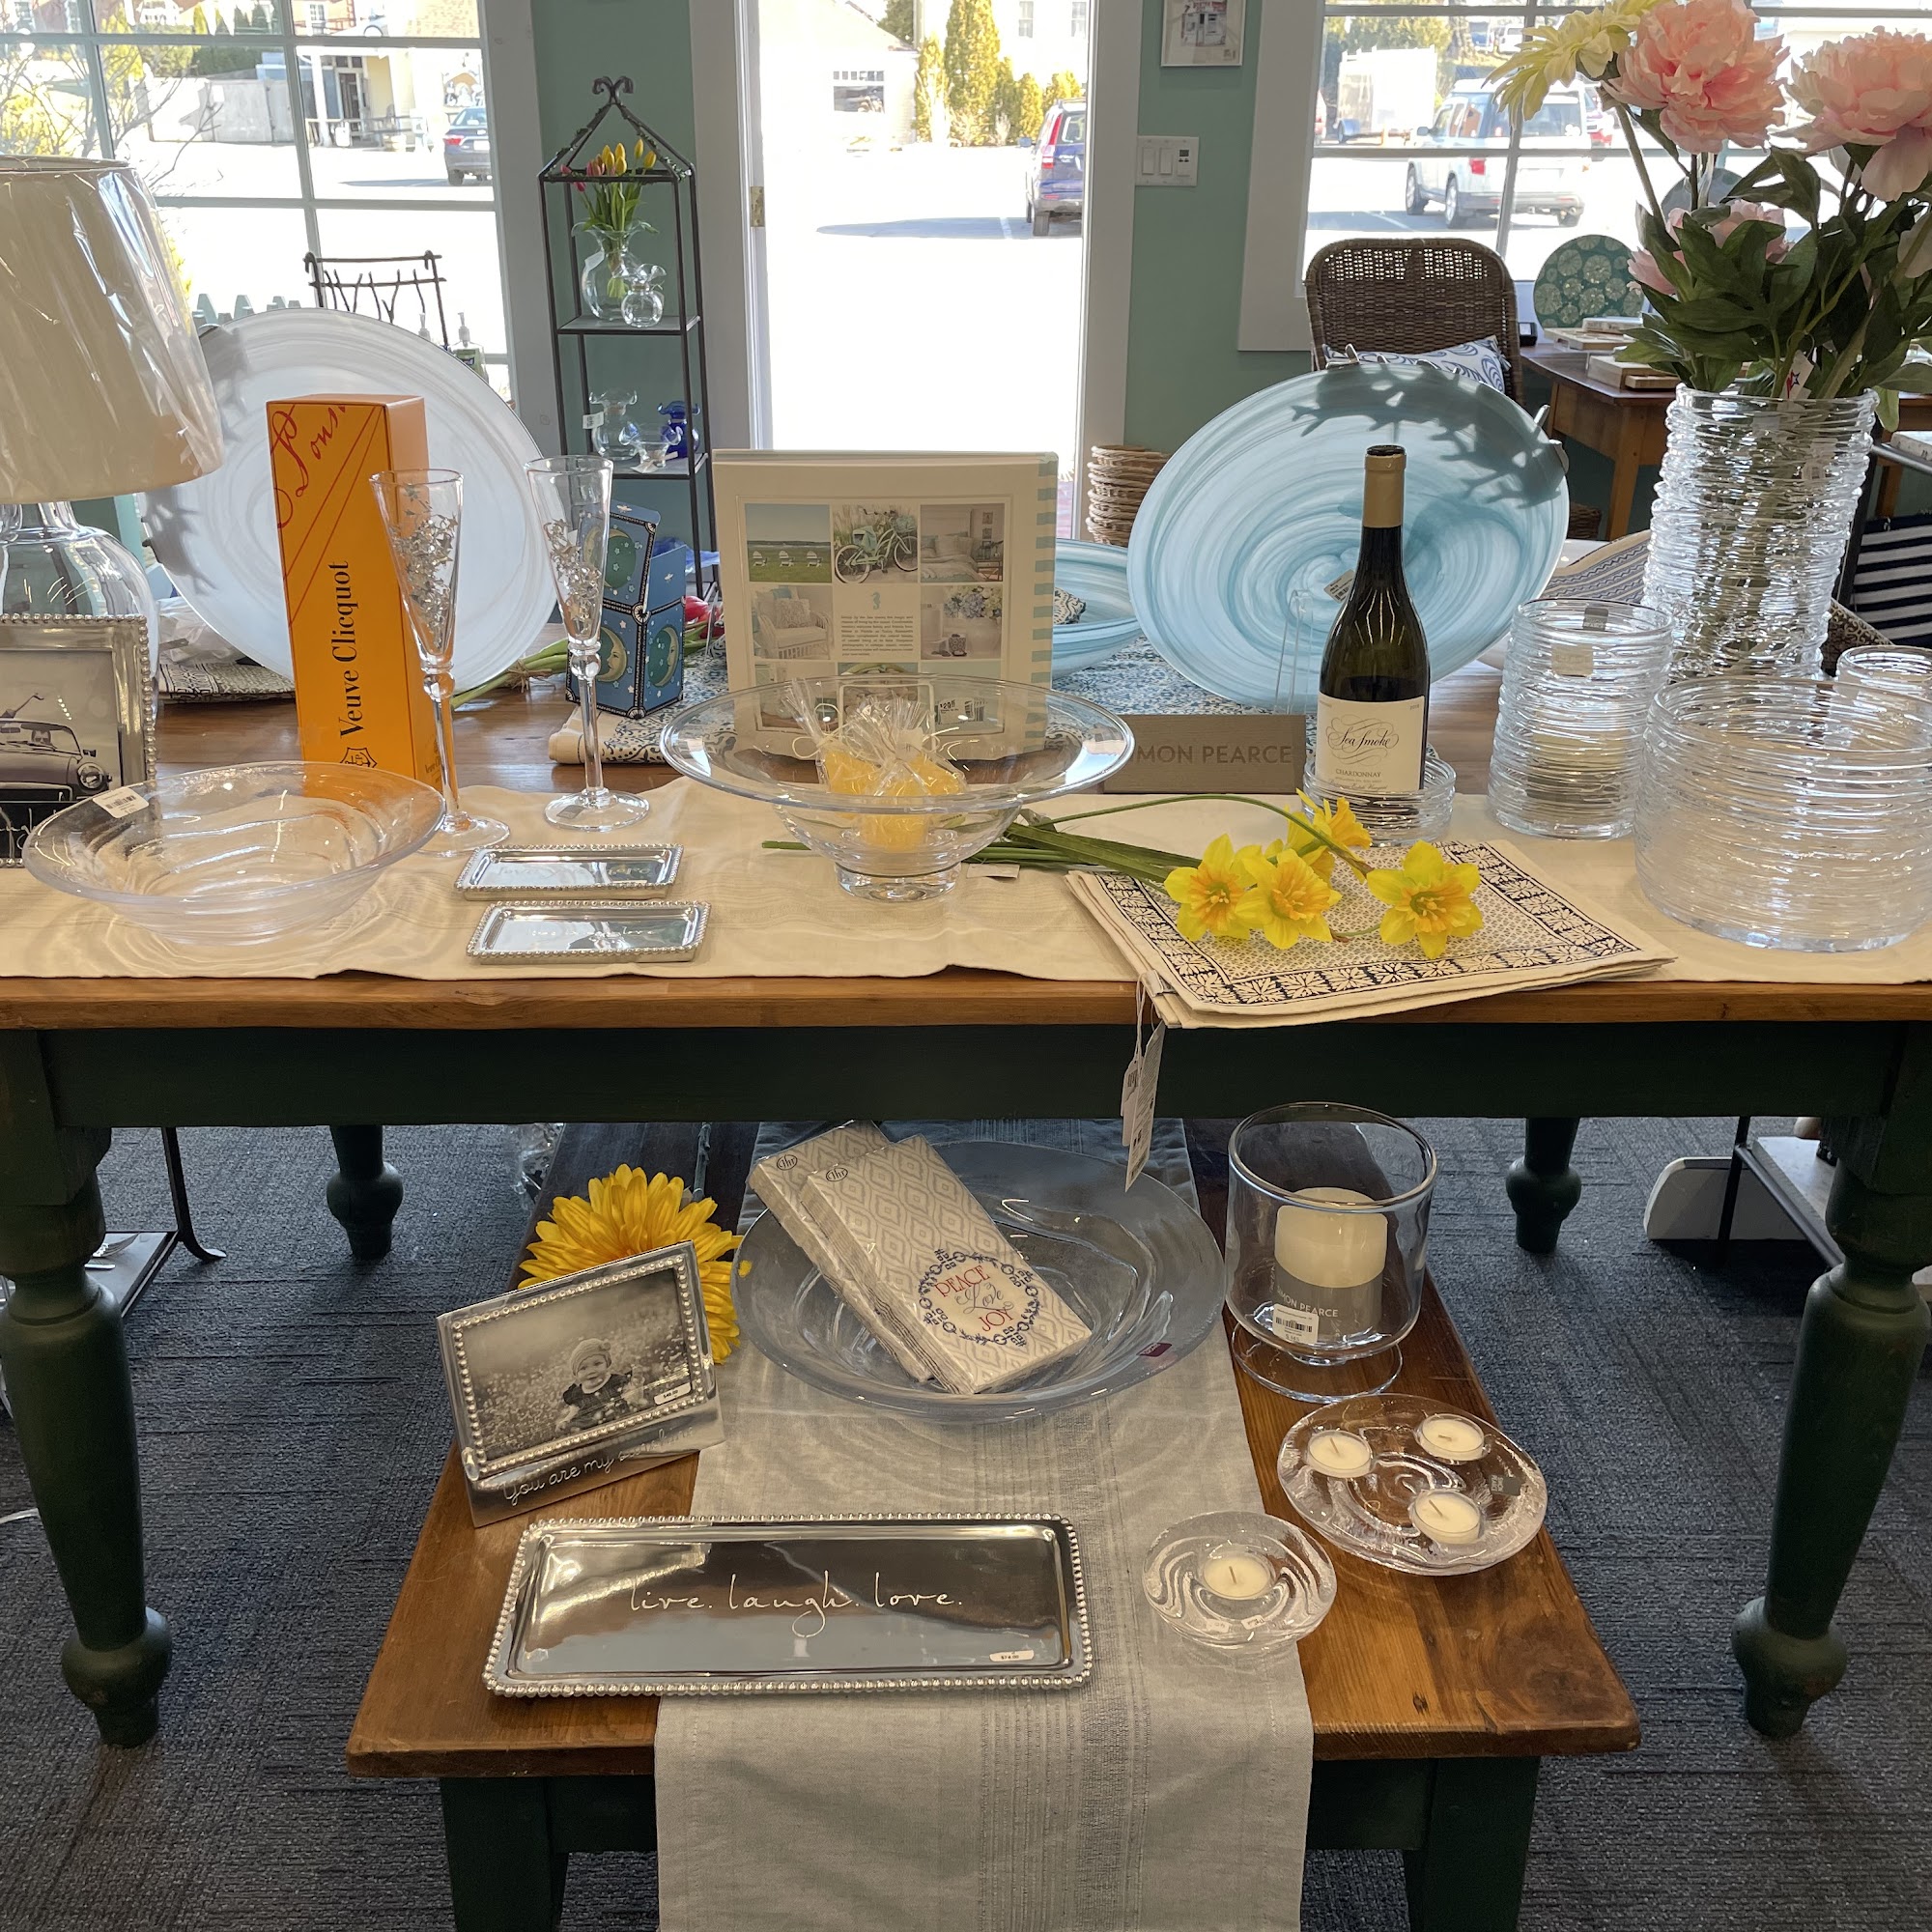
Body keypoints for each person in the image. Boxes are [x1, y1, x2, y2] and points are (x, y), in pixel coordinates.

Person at [554, 1337, 635, 1432]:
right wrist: (566, 1421)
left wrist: (634, 1393)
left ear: (607, 1363)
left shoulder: (616, 1381)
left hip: (619, 1420)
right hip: (589, 1428)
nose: (591, 1371)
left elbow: (631, 1396)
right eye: (583, 1368)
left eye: (597, 1364)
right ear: (576, 1373)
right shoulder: (577, 1394)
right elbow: (573, 1411)